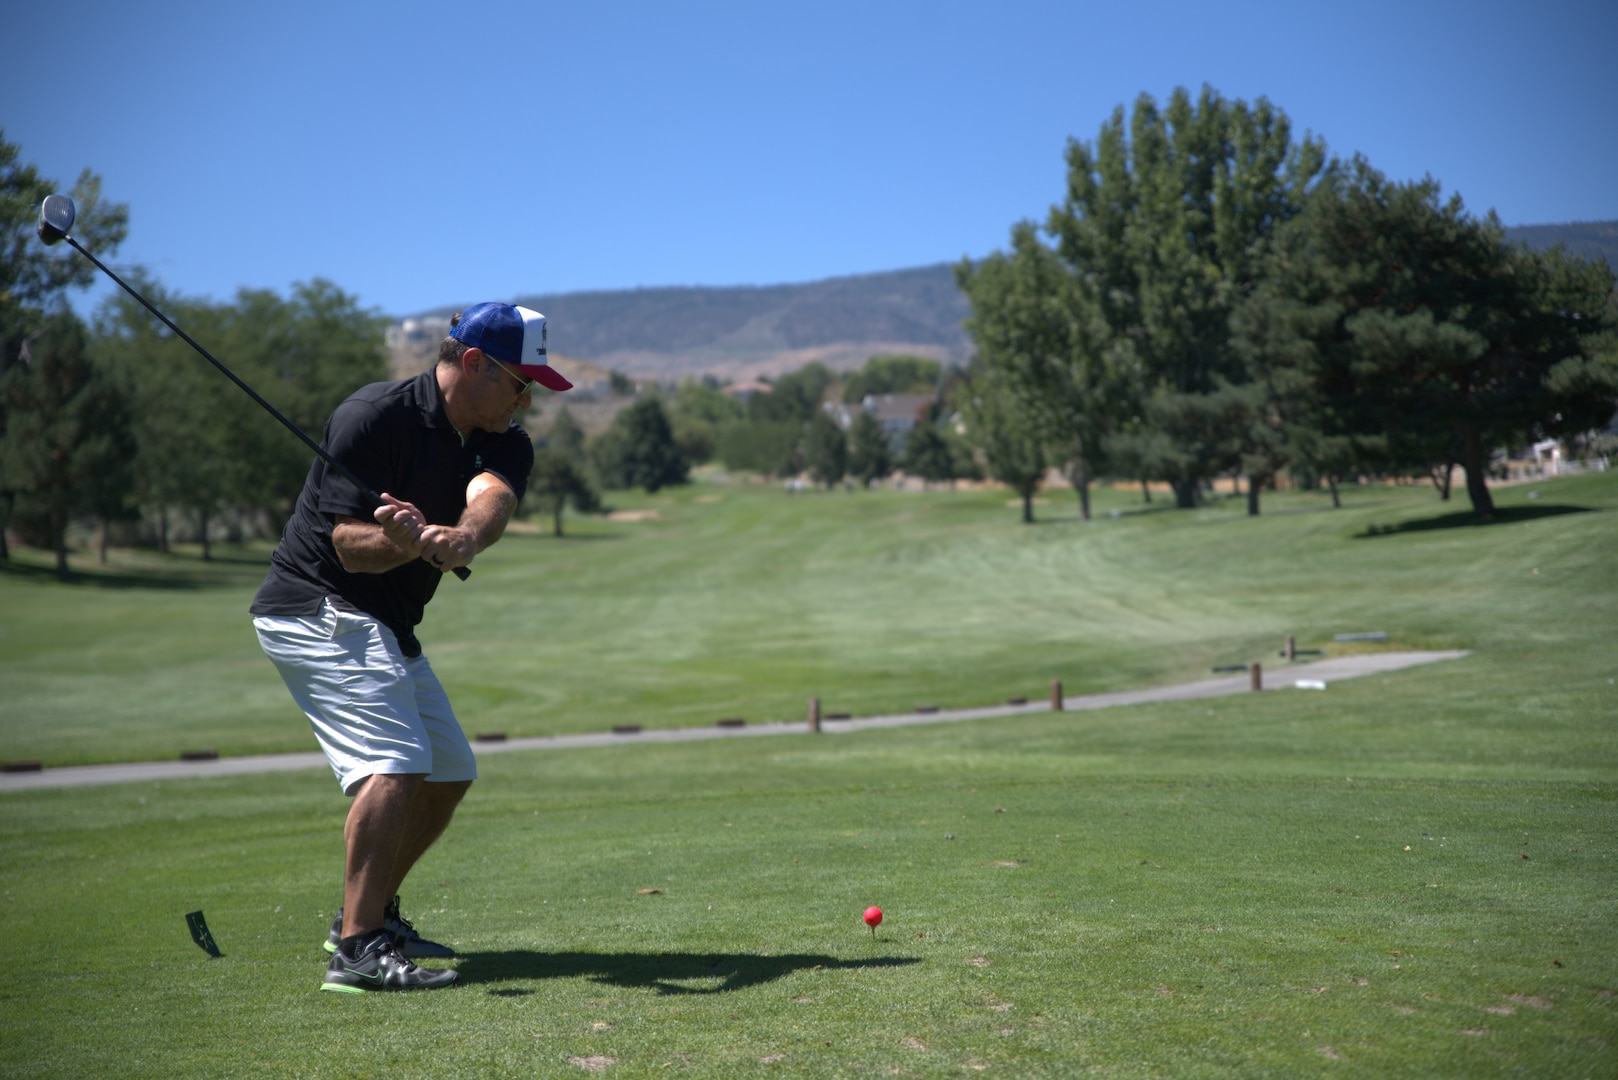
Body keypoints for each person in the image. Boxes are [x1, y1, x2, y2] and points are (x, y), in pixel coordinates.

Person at [250, 302, 572, 993]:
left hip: (386, 623)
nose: (527, 401)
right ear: (476, 363)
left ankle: (362, 916)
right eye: (521, 383)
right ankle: (359, 950)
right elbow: (347, 549)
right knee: (394, 762)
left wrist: (460, 538)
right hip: (316, 606)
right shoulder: (374, 417)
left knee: (449, 768)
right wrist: (398, 543)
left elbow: (491, 498)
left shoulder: (501, 436)